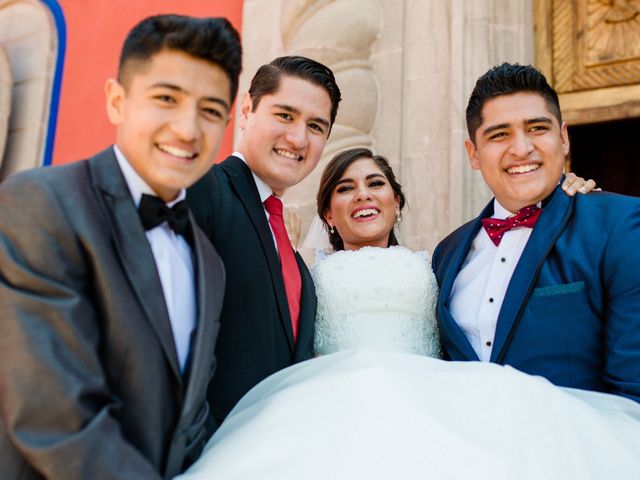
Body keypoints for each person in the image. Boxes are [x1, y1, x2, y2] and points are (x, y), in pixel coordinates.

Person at [177, 148, 640, 480]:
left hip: (433, 413)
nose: (363, 195)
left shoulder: (442, 262)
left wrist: (565, 195)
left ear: (396, 202)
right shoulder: (305, 274)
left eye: (376, 184)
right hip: (329, 417)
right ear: (329, 215)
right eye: (345, 188)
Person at [0, 15, 242, 479]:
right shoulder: (41, 205)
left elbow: (189, 423)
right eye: (166, 98)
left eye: (210, 110)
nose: (188, 129)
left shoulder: (210, 262)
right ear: (117, 101)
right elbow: (56, 418)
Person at [432, 63, 640, 404]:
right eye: (499, 134)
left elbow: (633, 392)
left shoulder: (621, 225)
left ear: (563, 138)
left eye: (537, 128)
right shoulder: (447, 252)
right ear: (473, 154)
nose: (521, 148)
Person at [187, 56, 342, 424]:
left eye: (316, 126)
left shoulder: (285, 243)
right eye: (285, 115)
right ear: (246, 109)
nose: (298, 138)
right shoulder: (201, 189)